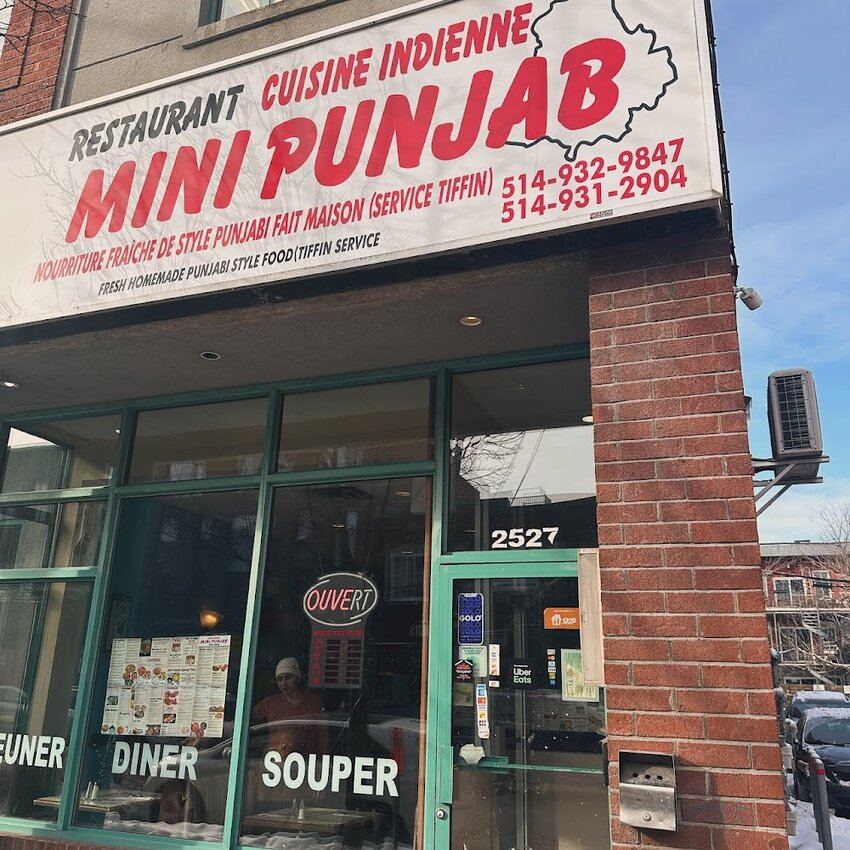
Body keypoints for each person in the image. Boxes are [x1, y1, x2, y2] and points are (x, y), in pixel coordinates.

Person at [251, 658, 329, 759]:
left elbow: (323, 738)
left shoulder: (314, 703)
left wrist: (323, 761)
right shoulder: (269, 703)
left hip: (306, 761)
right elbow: (247, 722)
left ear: (297, 678)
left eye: (288, 677)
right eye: (280, 679)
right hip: (276, 761)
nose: (284, 683)